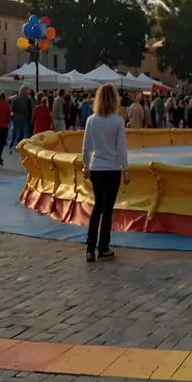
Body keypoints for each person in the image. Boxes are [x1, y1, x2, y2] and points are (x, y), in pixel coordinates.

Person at [81, 83, 129, 263]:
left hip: (96, 167)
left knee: (97, 207)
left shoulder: (91, 120)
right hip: (112, 169)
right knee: (107, 209)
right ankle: (103, 248)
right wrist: (126, 169)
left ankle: (89, 247)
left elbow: (86, 148)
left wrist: (86, 166)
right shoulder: (118, 121)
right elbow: (121, 148)